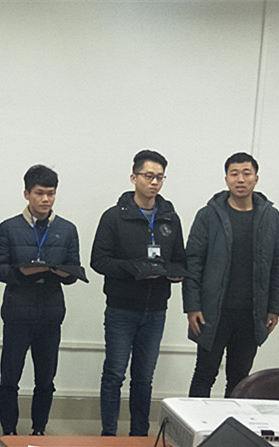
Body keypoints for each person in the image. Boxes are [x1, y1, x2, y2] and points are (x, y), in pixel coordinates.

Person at [90, 150, 186, 437]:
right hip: (121, 309)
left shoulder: (170, 218)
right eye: (148, 176)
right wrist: (134, 269)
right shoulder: (114, 217)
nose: (154, 182)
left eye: (160, 177)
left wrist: (174, 273)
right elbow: (98, 261)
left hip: (155, 310)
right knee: (114, 374)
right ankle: (109, 435)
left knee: (144, 378)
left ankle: (139, 436)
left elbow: (181, 260)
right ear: (134, 178)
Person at [183, 152, 279, 398]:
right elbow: (193, 263)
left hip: (252, 314)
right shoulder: (208, 215)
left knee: (240, 378)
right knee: (204, 374)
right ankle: (195, 423)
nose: (241, 179)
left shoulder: (270, 216)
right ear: (226, 179)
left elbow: (277, 264)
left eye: (246, 173)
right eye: (234, 174)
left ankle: (232, 423)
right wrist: (192, 306)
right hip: (213, 312)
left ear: (256, 178)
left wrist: (275, 307)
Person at [0, 165, 81, 436]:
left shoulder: (67, 229)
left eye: (51, 194)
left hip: (50, 314)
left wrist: (63, 273)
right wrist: (22, 273)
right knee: (10, 378)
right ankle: (9, 431)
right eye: (40, 193)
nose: (45, 199)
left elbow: (74, 269)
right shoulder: (8, 228)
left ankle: (39, 430)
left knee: (45, 379)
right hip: (17, 312)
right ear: (26, 193)